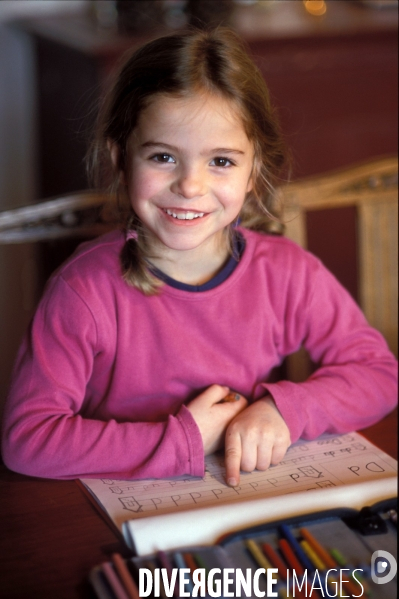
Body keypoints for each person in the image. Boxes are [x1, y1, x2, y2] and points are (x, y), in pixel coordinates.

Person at [1, 29, 397, 485]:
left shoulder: (288, 273)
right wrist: (184, 440)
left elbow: (379, 374)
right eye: (164, 157)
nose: (190, 185)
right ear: (121, 158)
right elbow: (28, 440)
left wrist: (284, 411)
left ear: (255, 171)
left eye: (222, 162)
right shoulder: (83, 290)